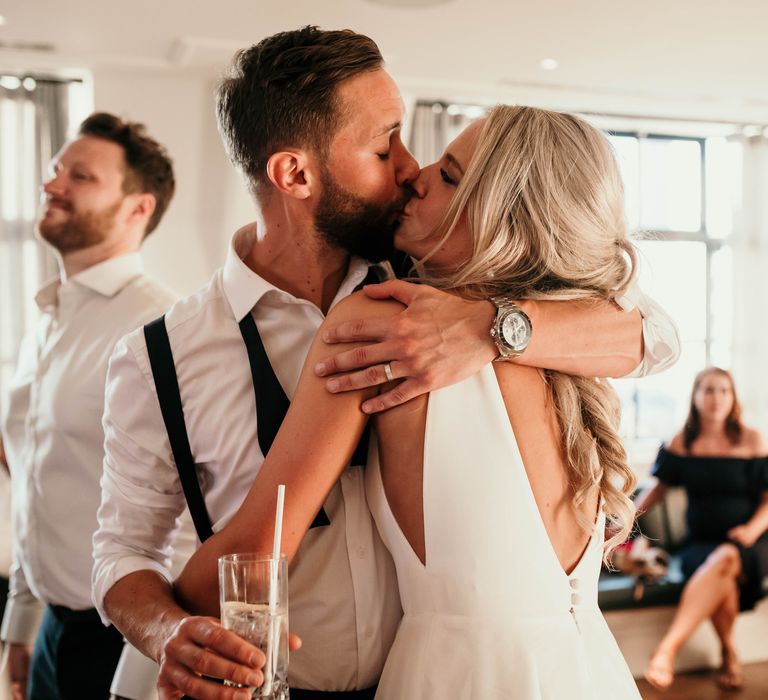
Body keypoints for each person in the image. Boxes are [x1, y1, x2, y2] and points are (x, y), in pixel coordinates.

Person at [91, 27, 678, 699]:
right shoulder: (154, 359)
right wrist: (167, 631)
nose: (409, 166)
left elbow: (655, 335)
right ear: (295, 174)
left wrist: (492, 327)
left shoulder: (419, 298)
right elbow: (121, 551)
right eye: (383, 144)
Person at [0, 112, 190, 700]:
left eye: (80, 176)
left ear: (138, 209)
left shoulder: (160, 327)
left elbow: (189, 513)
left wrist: (145, 664)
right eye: (56, 170)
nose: (52, 184)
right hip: (52, 627)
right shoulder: (49, 319)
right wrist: (22, 629)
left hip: (121, 644)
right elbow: (40, 481)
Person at [636, 367, 768, 691]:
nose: (716, 398)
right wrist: (623, 520)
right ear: (695, 397)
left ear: (733, 397)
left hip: (752, 541)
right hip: (700, 543)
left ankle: (667, 649)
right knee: (721, 566)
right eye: (708, 390)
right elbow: (657, 489)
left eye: (724, 390)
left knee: (726, 557)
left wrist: (751, 529)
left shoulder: (752, 440)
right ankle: (728, 651)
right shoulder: (682, 443)